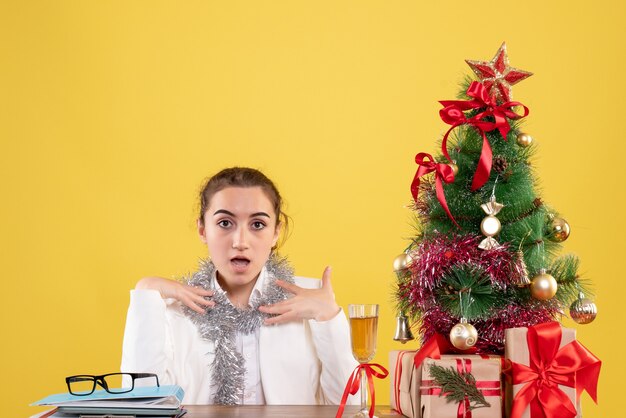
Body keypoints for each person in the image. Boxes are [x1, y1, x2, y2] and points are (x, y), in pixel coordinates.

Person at [120, 167, 358, 405]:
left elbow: (351, 408)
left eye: (257, 225)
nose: (240, 242)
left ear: (276, 232)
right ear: (203, 230)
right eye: (225, 223)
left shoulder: (310, 303)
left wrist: (330, 319)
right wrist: (146, 293)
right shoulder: (171, 309)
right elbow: (142, 405)